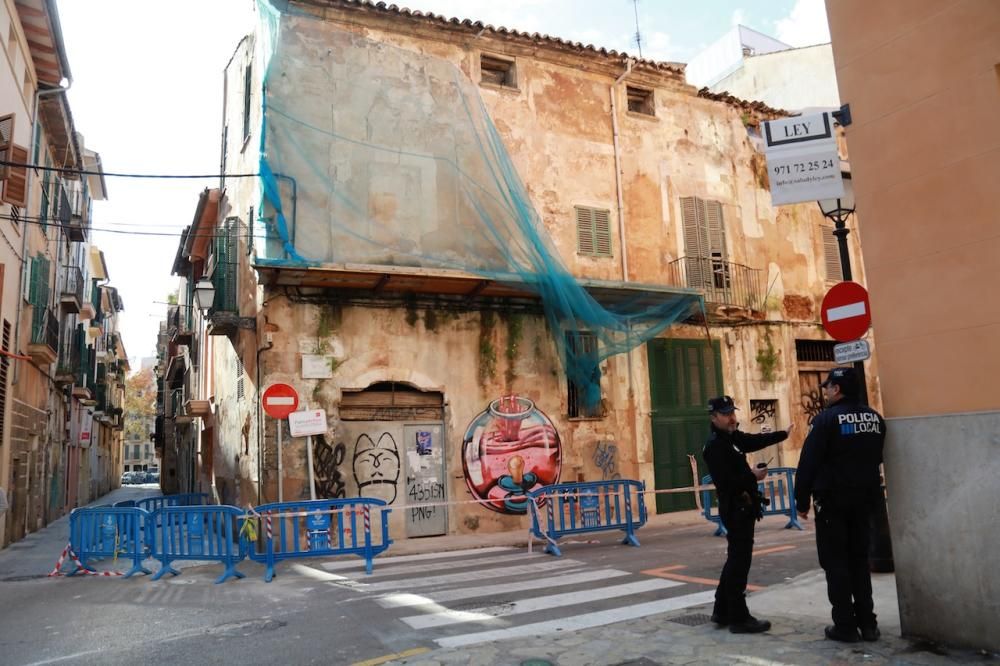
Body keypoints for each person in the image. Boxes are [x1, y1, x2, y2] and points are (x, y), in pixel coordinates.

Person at [795, 367, 886, 643]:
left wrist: (801, 502)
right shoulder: (875, 419)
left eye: (828, 387)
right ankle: (868, 624)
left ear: (837, 389)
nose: (825, 391)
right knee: (859, 561)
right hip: (865, 502)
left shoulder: (825, 421)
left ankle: (845, 625)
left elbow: (808, 463)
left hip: (833, 503)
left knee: (836, 563)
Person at [703, 395, 794, 634]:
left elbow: (753, 441)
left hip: (743, 507)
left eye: (733, 412)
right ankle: (738, 617)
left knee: (735, 558)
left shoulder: (731, 438)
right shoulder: (715, 446)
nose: (732, 418)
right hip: (735, 508)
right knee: (739, 562)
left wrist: (782, 434)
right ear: (714, 418)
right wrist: (752, 475)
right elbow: (727, 483)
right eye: (726, 414)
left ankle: (721, 611)